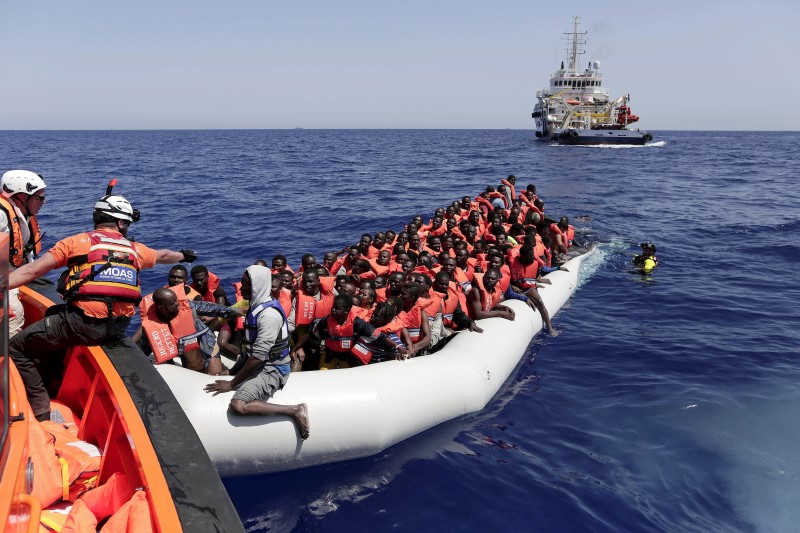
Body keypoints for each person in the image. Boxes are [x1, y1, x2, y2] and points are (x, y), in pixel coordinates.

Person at [8, 183, 196, 421]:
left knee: (16, 348)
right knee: (54, 313)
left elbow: (32, 270)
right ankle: (54, 372)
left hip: (81, 325)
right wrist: (184, 255)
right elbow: (164, 256)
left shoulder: (76, 243)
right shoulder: (135, 249)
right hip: (117, 328)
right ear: (121, 223)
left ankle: (41, 410)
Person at [205, 265, 309, 439]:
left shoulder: (268, 316)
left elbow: (259, 357)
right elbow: (249, 350)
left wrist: (231, 384)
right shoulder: (256, 306)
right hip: (257, 363)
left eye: (246, 285)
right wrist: (231, 372)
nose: (241, 287)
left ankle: (295, 410)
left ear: (257, 287)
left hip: (273, 368)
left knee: (238, 405)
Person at [133, 286, 243, 375]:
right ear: (161, 307)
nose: (177, 303)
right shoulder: (152, 324)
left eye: (176, 300)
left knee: (215, 377)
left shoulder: (187, 305)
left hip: (207, 344)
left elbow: (214, 308)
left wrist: (235, 311)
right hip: (185, 352)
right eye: (172, 303)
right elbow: (144, 349)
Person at [0, 170, 47, 336]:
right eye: (39, 198)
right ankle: (9, 358)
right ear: (21, 197)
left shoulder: (24, 215)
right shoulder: (1, 216)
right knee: (15, 313)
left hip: (12, 273)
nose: (44, 202)